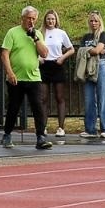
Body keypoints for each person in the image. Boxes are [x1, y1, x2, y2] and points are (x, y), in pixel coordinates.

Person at [0, 6, 52, 150]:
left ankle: (41, 137)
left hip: (34, 77)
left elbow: (44, 54)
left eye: (34, 19)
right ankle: (7, 134)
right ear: (22, 18)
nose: (31, 21)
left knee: (38, 106)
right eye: (29, 18)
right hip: (16, 77)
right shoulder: (12, 33)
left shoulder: (37, 34)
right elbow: (4, 54)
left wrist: (35, 38)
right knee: (13, 107)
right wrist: (10, 73)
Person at [38, 9, 75, 139]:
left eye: (53, 19)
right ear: (45, 20)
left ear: (56, 20)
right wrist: (38, 58)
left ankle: (61, 127)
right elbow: (33, 48)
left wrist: (62, 57)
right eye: (48, 19)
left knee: (60, 97)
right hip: (44, 66)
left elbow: (71, 49)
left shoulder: (61, 33)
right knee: (43, 98)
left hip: (57, 65)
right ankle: (43, 126)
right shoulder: (40, 32)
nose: (50, 21)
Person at [77, 11, 105, 140]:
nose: (93, 23)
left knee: (103, 97)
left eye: (96, 21)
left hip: (101, 66)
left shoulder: (103, 35)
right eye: (91, 21)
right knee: (89, 99)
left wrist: (90, 50)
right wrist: (92, 50)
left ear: (100, 22)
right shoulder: (86, 37)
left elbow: (99, 50)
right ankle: (90, 129)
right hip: (87, 67)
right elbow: (81, 51)